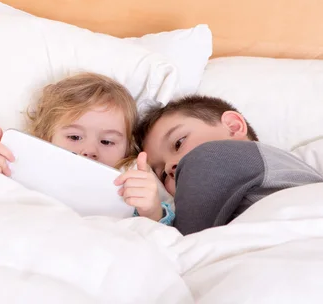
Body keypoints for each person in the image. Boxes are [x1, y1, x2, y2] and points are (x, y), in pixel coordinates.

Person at [0, 72, 174, 224]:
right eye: (74, 137)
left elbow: (160, 235)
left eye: (107, 141)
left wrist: (151, 210)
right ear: (46, 137)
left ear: (127, 148)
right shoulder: (26, 161)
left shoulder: (130, 175)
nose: (89, 150)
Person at [125, 94, 323, 235]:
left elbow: (185, 246)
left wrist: (153, 220)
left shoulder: (209, 157)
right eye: (161, 174)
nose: (170, 167)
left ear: (233, 126)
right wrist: (153, 213)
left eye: (179, 142)